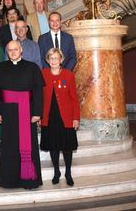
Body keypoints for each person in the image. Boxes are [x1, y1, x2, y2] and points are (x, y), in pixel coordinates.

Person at [0, 41, 44, 189]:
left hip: (27, 111)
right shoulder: (0, 68)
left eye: (16, 49)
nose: (13, 52)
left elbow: (38, 93)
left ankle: (29, 180)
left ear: (21, 50)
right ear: (7, 52)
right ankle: (9, 180)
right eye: (10, 50)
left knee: (27, 145)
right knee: (9, 146)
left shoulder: (32, 67)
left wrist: (37, 112)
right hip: (7, 112)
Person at [40, 48, 80, 186]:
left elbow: (74, 99)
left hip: (66, 117)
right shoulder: (43, 74)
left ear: (61, 60)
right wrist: (39, 115)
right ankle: (56, 172)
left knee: (67, 147)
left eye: (56, 58)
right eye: (51, 58)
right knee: (53, 147)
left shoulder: (69, 75)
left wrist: (76, 118)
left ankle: (68, 173)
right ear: (47, 60)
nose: (54, 61)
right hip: (49, 117)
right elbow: (39, 97)